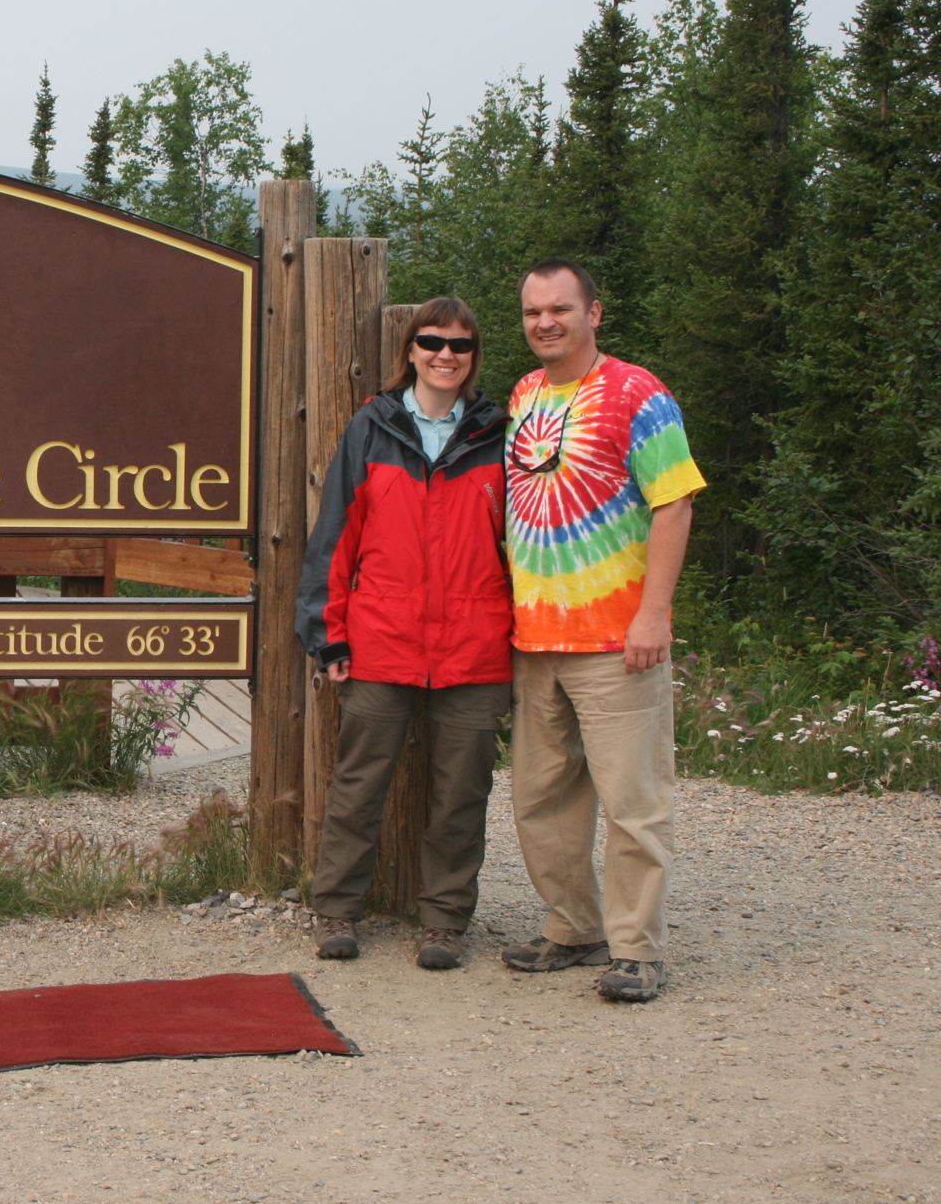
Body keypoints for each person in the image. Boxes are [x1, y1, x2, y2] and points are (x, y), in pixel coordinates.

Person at [498, 259, 703, 1003]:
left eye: (559, 308)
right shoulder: (524, 394)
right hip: (533, 638)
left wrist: (653, 612)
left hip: (616, 639)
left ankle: (636, 948)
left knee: (632, 799)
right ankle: (571, 925)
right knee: (540, 798)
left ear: (594, 312)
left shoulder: (636, 392)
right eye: (531, 312)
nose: (544, 322)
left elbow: (674, 503)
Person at [297, 296, 513, 970]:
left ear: (474, 355)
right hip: (379, 638)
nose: (444, 354)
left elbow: (523, 544)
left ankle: (444, 919)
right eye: (431, 341)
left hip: (476, 643)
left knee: (460, 792)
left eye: (459, 345)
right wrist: (327, 634)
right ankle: (337, 908)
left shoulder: (499, 433)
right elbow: (335, 537)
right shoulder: (373, 427)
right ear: (410, 350)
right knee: (359, 784)